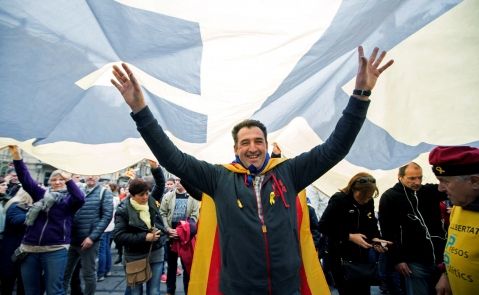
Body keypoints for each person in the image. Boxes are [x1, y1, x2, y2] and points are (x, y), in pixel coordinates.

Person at [111, 46, 393, 294]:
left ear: (267, 144)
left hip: (287, 286)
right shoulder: (219, 178)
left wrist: (361, 94)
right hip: (238, 287)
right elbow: (173, 158)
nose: (253, 147)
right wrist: (140, 110)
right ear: (236, 149)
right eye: (245, 143)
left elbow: (336, 147)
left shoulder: (289, 172)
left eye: (258, 141)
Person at [7, 145, 85, 295]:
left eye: (61, 180)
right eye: (54, 179)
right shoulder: (40, 194)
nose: (57, 182)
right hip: (29, 248)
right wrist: (17, 156)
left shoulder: (69, 200)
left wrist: (69, 180)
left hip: (55, 249)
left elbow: (80, 198)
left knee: (54, 291)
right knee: (31, 291)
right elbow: (25, 178)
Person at [379, 162, 448, 295]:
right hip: (414, 260)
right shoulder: (390, 197)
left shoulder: (429, 191)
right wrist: (397, 260)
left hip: (440, 257)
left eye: (420, 177)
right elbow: (388, 232)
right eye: (412, 178)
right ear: (400, 177)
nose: (417, 182)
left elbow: (453, 187)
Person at [319, 173, 392, 295]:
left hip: (361, 258)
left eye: (368, 197)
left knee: (364, 290)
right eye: (362, 196)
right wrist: (349, 236)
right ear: (354, 189)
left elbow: (371, 223)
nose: (365, 200)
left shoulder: (368, 201)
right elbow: (323, 226)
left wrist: (376, 238)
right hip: (340, 258)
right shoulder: (339, 200)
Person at [428, 146, 479, 295]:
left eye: (445, 181)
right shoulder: (459, 206)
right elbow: (454, 244)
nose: (439, 188)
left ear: (475, 181)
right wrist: (446, 274)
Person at [113, 178, 167, 295]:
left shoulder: (152, 201)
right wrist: (144, 237)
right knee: (135, 292)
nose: (145, 197)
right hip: (134, 256)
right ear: (132, 195)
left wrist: (156, 168)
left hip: (155, 252)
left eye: (147, 193)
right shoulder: (123, 210)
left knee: (154, 291)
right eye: (141, 195)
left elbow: (160, 184)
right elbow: (118, 236)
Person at [160, 178, 200, 295]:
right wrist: (167, 229)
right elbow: (162, 213)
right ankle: (170, 290)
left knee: (187, 266)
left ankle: (188, 291)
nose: (178, 183)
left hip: (185, 238)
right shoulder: (168, 196)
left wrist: (182, 231)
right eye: (176, 180)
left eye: (180, 180)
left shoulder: (192, 197)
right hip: (170, 237)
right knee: (171, 266)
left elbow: (194, 216)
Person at [0, 188, 32, 295]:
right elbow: (16, 220)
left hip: (21, 249)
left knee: (22, 282)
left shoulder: (26, 207)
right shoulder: (15, 205)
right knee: (8, 281)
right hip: (11, 249)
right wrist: (34, 212)